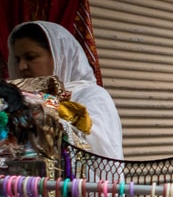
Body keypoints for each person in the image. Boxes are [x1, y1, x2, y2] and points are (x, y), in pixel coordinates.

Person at [8, 21, 122, 158]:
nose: (21, 67)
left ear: (59, 56)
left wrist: (46, 110)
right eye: (17, 59)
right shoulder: (14, 98)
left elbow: (100, 151)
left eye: (31, 57)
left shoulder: (92, 96)